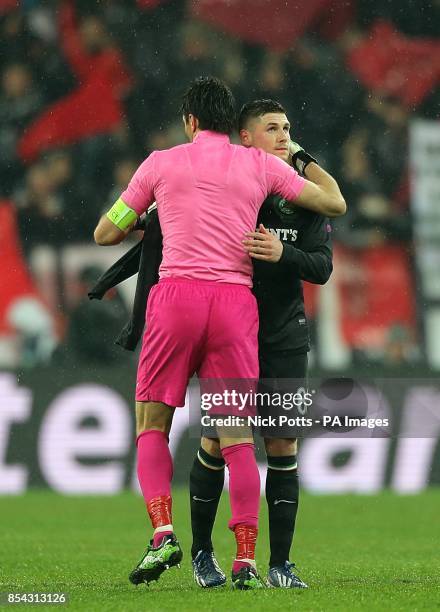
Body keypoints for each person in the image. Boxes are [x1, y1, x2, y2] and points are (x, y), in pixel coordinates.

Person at [93, 77, 345, 590]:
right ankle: (246, 559)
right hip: (236, 306)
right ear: (234, 125)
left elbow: (106, 232)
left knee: (151, 423)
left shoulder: (161, 164)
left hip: (178, 299)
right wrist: (295, 156)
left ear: (189, 121)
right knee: (237, 439)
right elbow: (330, 202)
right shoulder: (260, 165)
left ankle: (164, 532)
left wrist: (143, 212)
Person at [190, 99, 333, 589]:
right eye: (272, 127)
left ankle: (280, 565)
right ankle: (204, 554)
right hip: (232, 332)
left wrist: (282, 252)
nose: (283, 135)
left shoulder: (303, 199)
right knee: (218, 439)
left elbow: (323, 266)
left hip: (285, 334)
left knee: (282, 445)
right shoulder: (229, 185)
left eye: (288, 127)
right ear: (245, 137)